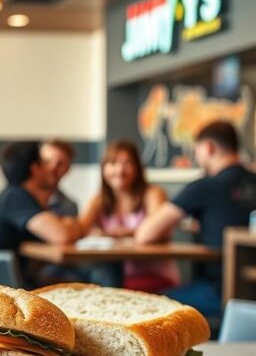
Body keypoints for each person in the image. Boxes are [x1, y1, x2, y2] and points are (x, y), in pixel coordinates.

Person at [136, 121, 256, 318]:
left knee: (153, 302)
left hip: (219, 293)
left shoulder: (205, 186)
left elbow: (145, 234)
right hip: (251, 294)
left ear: (208, 148)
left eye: (197, 150)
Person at [0, 141, 81, 286]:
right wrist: (76, 222)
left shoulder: (13, 195)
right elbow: (62, 236)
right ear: (35, 169)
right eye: (45, 162)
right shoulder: (16, 197)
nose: (51, 168)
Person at [79, 140, 179, 293]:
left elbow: (159, 229)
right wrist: (92, 232)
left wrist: (117, 234)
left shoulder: (152, 194)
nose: (119, 170)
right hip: (114, 276)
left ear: (138, 168)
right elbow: (80, 228)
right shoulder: (99, 200)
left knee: (104, 289)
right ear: (103, 169)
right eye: (113, 163)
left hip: (152, 275)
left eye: (127, 163)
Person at [40, 139, 78, 217]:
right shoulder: (17, 198)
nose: (52, 168)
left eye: (60, 164)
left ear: (68, 169)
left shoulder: (69, 207)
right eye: (47, 161)